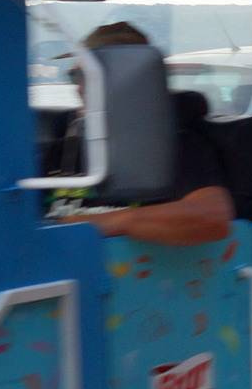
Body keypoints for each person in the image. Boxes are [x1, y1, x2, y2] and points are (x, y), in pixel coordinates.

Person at [48, 22, 233, 246]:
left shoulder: (176, 147)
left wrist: (81, 227)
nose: (77, 88)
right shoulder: (62, 150)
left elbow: (211, 217)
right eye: (75, 76)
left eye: (85, 75)